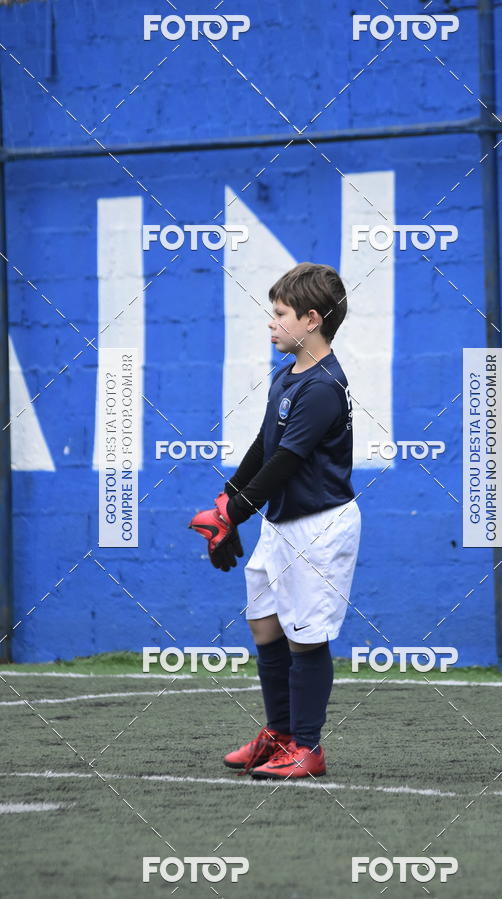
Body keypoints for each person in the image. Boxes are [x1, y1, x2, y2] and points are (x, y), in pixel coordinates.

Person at [189, 261, 361, 779]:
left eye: (281, 313)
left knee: (306, 635)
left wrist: (235, 514)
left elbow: (286, 461)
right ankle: (281, 734)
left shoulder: (324, 386)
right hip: (281, 523)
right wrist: (226, 505)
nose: (271, 321)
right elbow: (263, 447)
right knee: (265, 625)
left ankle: (307, 748)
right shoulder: (289, 375)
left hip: (319, 526)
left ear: (312, 319)